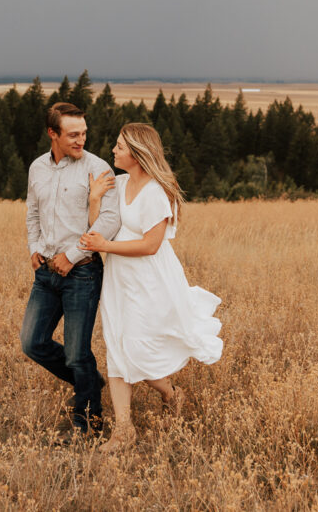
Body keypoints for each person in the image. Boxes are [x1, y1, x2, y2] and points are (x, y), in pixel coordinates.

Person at [80, 122, 223, 452]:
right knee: (117, 348)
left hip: (149, 281)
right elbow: (99, 229)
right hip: (119, 280)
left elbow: (150, 245)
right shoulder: (118, 183)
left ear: (137, 152)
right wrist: (95, 200)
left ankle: (172, 395)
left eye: (119, 145)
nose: (113, 150)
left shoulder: (157, 192)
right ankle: (123, 431)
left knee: (140, 349)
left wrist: (105, 247)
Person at [21, 102, 120, 439]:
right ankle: (90, 383)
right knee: (32, 343)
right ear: (53, 134)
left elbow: (110, 220)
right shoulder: (37, 168)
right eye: (73, 135)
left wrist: (74, 254)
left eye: (84, 134)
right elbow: (32, 212)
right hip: (45, 273)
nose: (81, 140)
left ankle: (87, 424)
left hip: (82, 273)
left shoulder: (99, 168)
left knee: (78, 353)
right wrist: (34, 247)